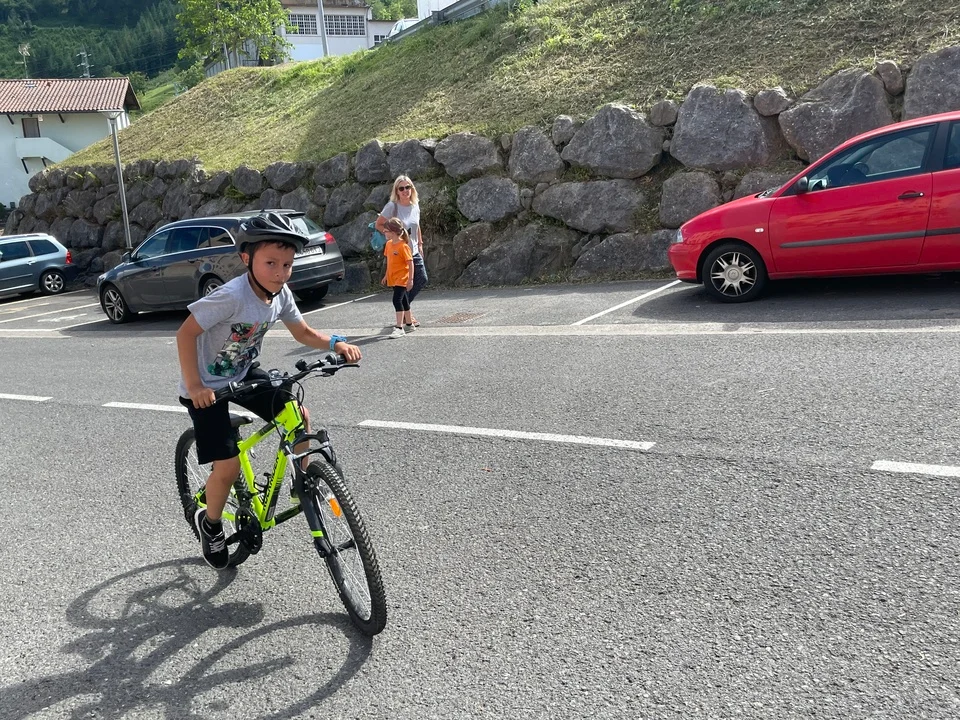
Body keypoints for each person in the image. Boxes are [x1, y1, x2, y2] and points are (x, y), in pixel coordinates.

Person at [176, 211, 362, 570]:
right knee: (227, 467)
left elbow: (303, 332)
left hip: (244, 374)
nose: (280, 272)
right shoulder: (231, 296)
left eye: (287, 265)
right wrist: (195, 385)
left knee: (298, 413)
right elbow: (186, 333)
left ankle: (303, 481)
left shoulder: (280, 295)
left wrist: (335, 343)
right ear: (247, 258)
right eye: (271, 263)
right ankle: (210, 524)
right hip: (208, 388)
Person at [375, 175, 427, 329]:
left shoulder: (415, 205)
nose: (405, 191)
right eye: (401, 188)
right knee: (404, 285)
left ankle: (405, 310)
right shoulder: (392, 207)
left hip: (413, 250)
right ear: (397, 191)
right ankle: (406, 314)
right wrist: (393, 237)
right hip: (399, 252)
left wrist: (420, 244)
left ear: (412, 189)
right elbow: (379, 224)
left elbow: (417, 226)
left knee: (421, 279)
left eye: (408, 187)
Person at [380, 217, 414, 338]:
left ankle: (399, 327)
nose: (384, 232)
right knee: (404, 300)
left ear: (393, 232)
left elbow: (410, 263)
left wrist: (410, 279)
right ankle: (409, 324)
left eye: (386, 231)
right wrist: (386, 275)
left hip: (402, 278)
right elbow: (390, 261)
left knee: (396, 300)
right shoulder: (389, 244)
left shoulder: (403, 246)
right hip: (393, 278)